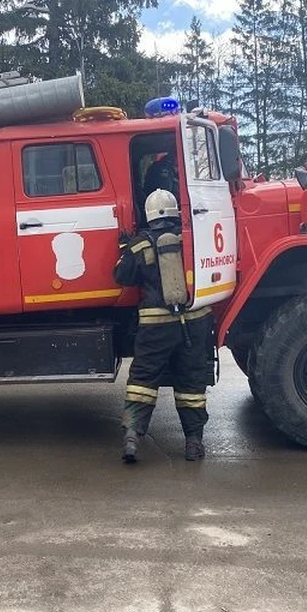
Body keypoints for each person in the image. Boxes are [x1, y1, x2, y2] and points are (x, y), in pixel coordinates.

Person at [113, 189, 213, 463]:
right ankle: (193, 443)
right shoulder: (191, 239)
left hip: (156, 326)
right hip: (194, 323)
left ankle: (132, 438)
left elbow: (122, 276)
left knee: (142, 382)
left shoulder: (140, 245)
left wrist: (124, 248)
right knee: (191, 384)